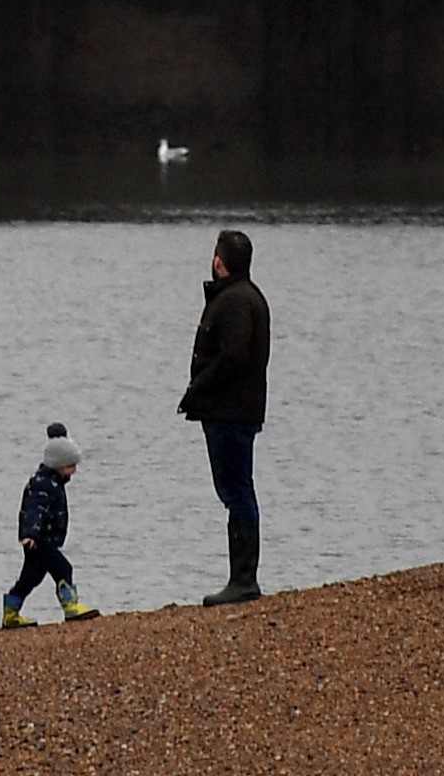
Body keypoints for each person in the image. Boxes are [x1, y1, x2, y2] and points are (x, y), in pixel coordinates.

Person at [178, 227, 271, 603]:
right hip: (234, 410)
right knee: (235, 489)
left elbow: (233, 356)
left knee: (236, 490)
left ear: (220, 261)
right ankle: (242, 578)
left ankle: (243, 580)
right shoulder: (245, 297)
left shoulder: (235, 301)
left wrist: (198, 388)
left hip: (231, 412)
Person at [0, 424, 91, 626]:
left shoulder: (53, 482)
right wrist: (30, 534)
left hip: (42, 540)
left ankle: (11, 613)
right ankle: (70, 607)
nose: (74, 471)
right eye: (70, 466)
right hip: (39, 540)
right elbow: (33, 511)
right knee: (63, 569)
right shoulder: (42, 484)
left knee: (30, 578)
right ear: (58, 465)